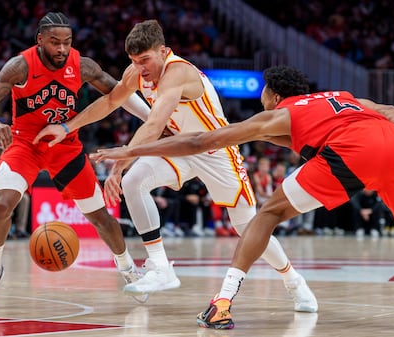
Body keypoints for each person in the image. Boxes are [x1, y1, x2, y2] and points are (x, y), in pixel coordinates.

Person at [87, 65, 394, 330]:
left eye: (263, 94)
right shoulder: (339, 97)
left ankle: (222, 303)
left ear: (273, 96)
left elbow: (201, 140)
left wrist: (130, 151)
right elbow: (389, 110)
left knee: (267, 213)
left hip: (352, 151)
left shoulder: (278, 114)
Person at [34, 20, 317, 313]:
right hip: (181, 147)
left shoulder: (178, 72)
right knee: (134, 183)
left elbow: (155, 124)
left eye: (145, 60)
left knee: (246, 226)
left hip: (216, 149)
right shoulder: (136, 73)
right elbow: (109, 102)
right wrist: (67, 126)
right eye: (134, 61)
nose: (141, 68)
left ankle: (293, 282)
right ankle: (160, 266)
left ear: (163, 50)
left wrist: (119, 165)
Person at [0, 12, 151, 304]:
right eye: (55, 42)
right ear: (40, 40)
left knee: (100, 217)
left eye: (67, 42)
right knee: (3, 204)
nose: (62, 49)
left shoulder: (82, 65)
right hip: (25, 144)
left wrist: (152, 118)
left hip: (64, 146)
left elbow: (119, 92)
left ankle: (128, 269)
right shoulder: (20, 66)